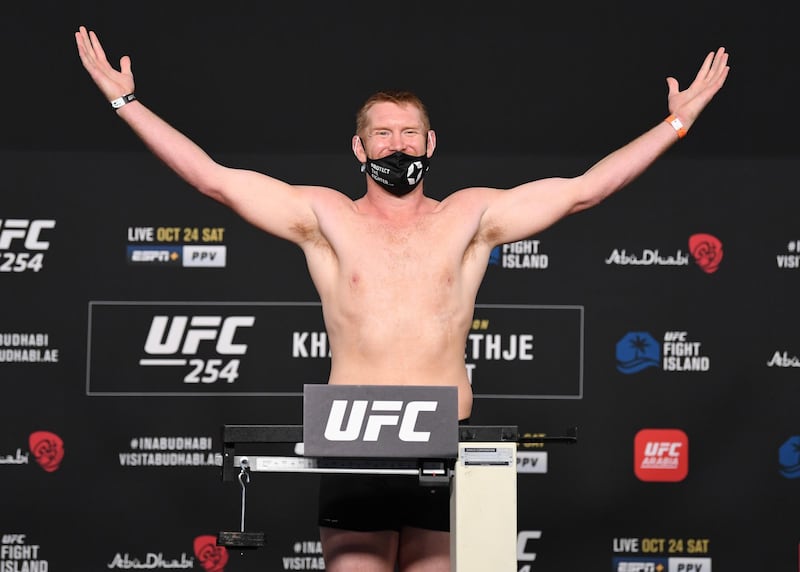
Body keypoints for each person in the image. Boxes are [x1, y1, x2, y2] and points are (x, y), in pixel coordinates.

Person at [75, 25, 729, 572]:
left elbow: (585, 188)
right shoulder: (324, 217)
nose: (398, 144)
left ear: (431, 143)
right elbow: (214, 180)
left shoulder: (470, 217)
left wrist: (678, 120)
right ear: (359, 148)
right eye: (383, 134)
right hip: (354, 441)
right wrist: (123, 102)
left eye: (410, 132)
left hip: (446, 442)